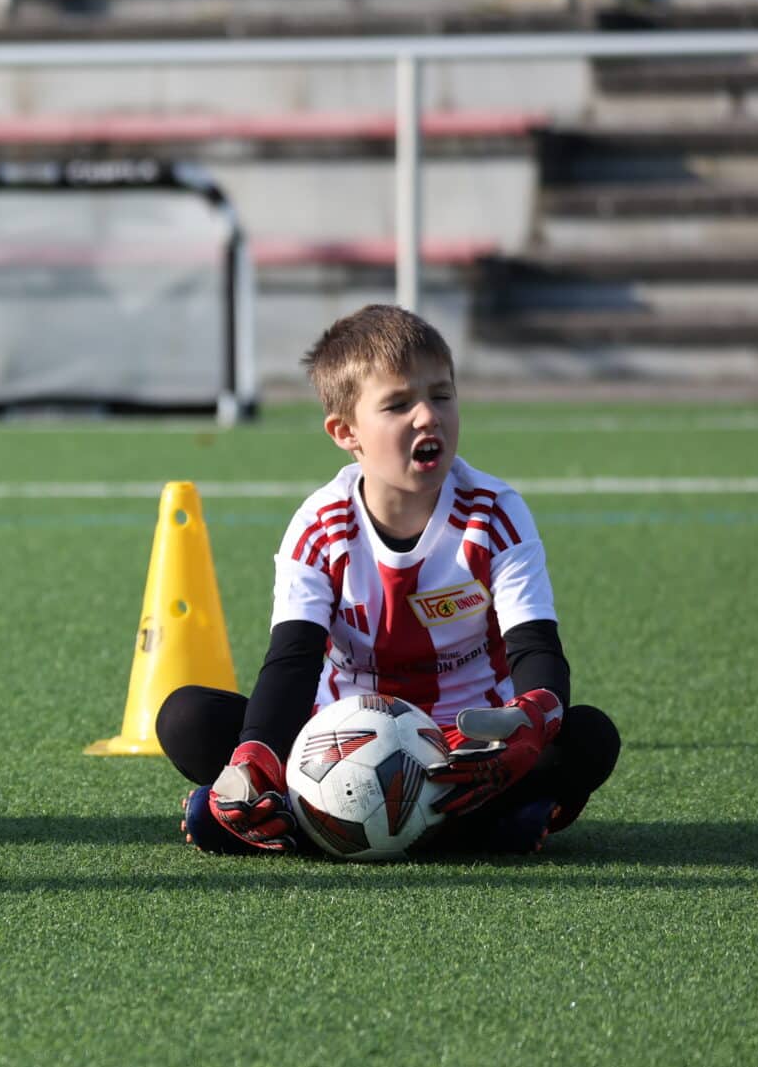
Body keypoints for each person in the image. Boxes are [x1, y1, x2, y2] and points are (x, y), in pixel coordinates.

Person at [160, 303, 619, 855]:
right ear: (345, 432)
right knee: (187, 718)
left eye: (441, 396)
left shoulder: (494, 513)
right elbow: (292, 661)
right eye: (399, 404)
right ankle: (481, 830)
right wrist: (255, 756)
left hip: (464, 747)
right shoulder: (320, 526)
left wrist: (530, 719)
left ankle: (298, 827)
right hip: (337, 750)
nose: (428, 417)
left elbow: (536, 649)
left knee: (588, 735)